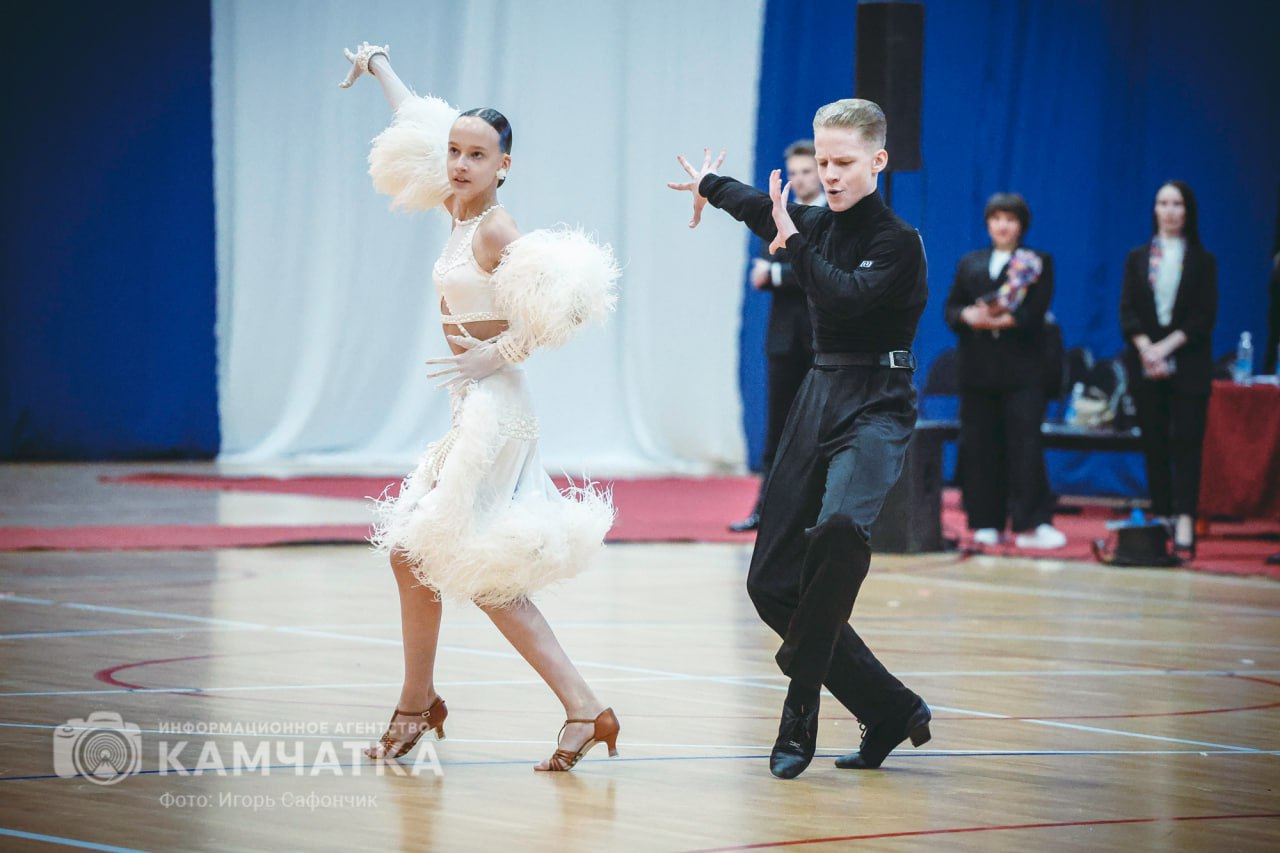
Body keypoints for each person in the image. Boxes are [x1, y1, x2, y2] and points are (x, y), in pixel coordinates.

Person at [339, 42, 620, 770]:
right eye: (456, 152)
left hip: (498, 410)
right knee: (437, 560)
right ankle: (571, 708)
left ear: (504, 165)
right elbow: (417, 126)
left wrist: (494, 355)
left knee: (435, 556)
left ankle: (423, 704)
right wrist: (379, 69)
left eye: (477, 153)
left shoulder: (496, 227)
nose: (461, 163)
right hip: (475, 406)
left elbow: (560, 307)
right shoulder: (457, 214)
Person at [669, 99, 931, 779]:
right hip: (820, 395)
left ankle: (801, 695)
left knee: (842, 526)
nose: (831, 174)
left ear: (878, 160)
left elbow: (843, 297)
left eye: (845, 162)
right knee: (770, 583)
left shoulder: (897, 243)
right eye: (823, 161)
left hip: (879, 400)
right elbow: (761, 209)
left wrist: (791, 242)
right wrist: (710, 187)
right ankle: (891, 708)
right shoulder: (810, 222)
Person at [943, 193, 1066, 550]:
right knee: (981, 447)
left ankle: (1033, 522)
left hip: (1023, 372)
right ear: (987, 223)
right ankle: (986, 522)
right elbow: (951, 308)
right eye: (996, 218)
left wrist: (998, 320)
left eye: (1010, 219)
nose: (1002, 225)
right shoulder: (971, 263)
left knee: (1025, 446)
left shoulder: (1036, 262)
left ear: (1021, 225)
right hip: (978, 372)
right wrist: (969, 316)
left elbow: (1035, 313)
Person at [1119, 180, 1218, 558]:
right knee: (1155, 443)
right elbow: (1127, 311)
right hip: (1146, 364)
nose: (1170, 210)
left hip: (1188, 361)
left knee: (1187, 444)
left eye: (1177, 203)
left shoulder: (1203, 260)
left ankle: (1185, 518)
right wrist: (1147, 348)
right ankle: (1161, 515)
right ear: (1155, 209)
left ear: (1188, 211)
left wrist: (1167, 346)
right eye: (1163, 203)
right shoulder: (1137, 257)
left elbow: (1203, 316)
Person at [730, 141, 821, 533]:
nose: (800, 179)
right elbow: (761, 271)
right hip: (784, 339)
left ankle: (814, 513)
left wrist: (777, 275)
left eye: (806, 171)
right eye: (794, 173)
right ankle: (765, 510)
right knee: (778, 427)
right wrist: (780, 274)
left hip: (821, 340)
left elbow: (816, 273)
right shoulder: (779, 213)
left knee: (819, 428)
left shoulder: (828, 216)